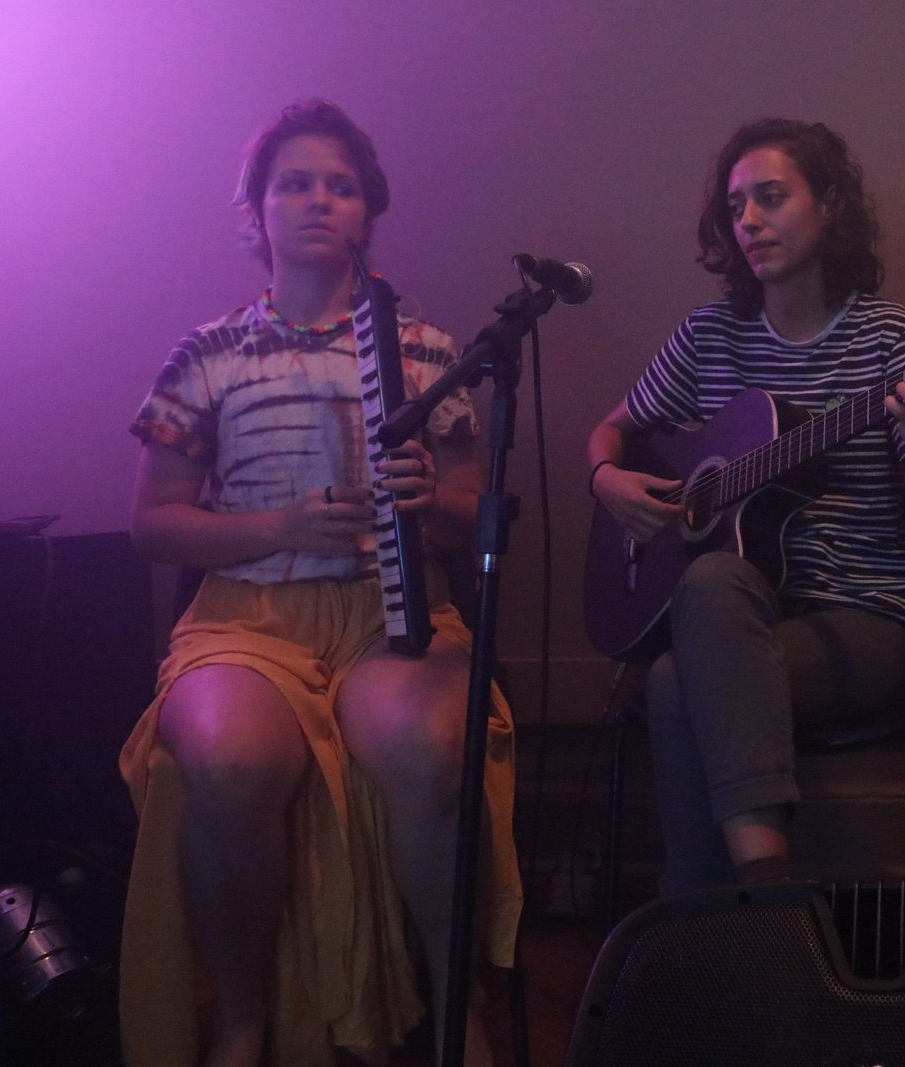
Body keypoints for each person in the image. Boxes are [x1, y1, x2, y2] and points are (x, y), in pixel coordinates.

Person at [118, 99, 519, 1067]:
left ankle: (453, 1002)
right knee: (226, 756)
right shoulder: (206, 353)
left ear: (365, 212)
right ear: (256, 212)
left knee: (428, 749)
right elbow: (152, 525)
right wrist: (278, 526)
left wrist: (436, 503)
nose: (318, 200)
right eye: (294, 182)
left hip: (395, 609)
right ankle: (245, 1017)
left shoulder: (423, 347)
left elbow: (478, 511)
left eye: (340, 185)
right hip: (248, 618)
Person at [587, 118, 905, 895]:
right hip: (739, 616)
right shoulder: (710, 337)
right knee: (710, 587)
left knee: (675, 681)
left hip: (872, 617)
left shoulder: (889, 336)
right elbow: (612, 428)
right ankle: (759, 914)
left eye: (770, 197)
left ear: (828, 206)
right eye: (736, 207)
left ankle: (729, 920)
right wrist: (606, 478)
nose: (750, 221)